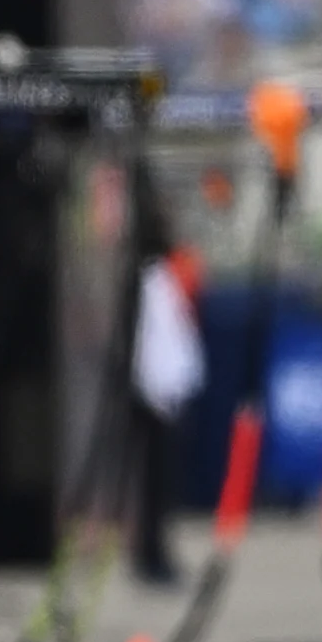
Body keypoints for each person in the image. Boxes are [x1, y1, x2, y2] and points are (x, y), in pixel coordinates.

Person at [131, 238, 204, 587]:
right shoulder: (152, 284)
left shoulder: (166, 285)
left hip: (167, 395)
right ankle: (149, 553)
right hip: (155, 397)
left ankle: (154, 551)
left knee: (162, 485)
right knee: (152, 483)